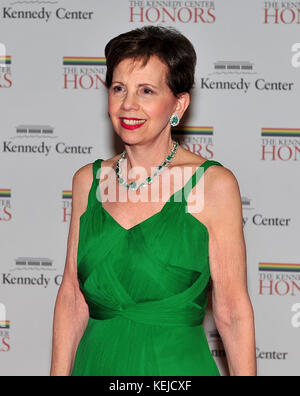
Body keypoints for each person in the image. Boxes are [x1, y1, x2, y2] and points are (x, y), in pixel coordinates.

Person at [50, 25, 256, 376]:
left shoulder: (214, 185)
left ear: (178, 104)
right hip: (96, 365)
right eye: (119, 89)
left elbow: (233, 311)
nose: (128, 104)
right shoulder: (88, 181)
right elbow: (71, 296)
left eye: (146, 90)